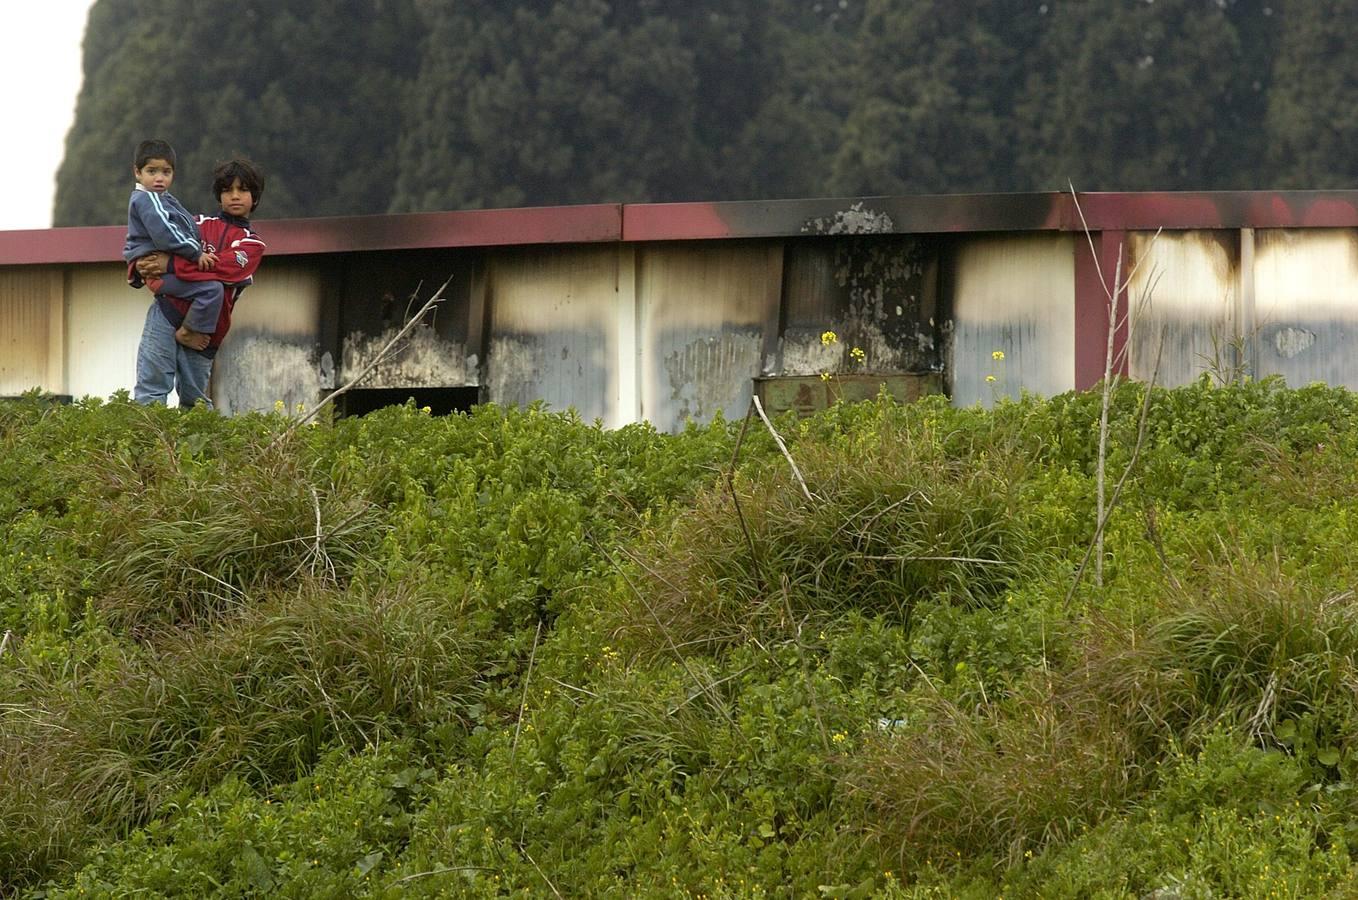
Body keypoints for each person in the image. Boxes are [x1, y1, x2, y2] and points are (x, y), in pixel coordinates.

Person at [131, 157, 267, 407]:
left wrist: (171, 265)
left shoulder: (253, 245)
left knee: (194, 400)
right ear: (219, 196)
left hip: (206, 329)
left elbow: (227, 269)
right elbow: (157, 240)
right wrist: (139, 265)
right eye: (227, 190)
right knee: (151, 387)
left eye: (243, 189)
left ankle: (196, 446)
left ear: (255, 197)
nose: (235, 196)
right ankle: (150, 443)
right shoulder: (195, 224)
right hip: (167, 310)